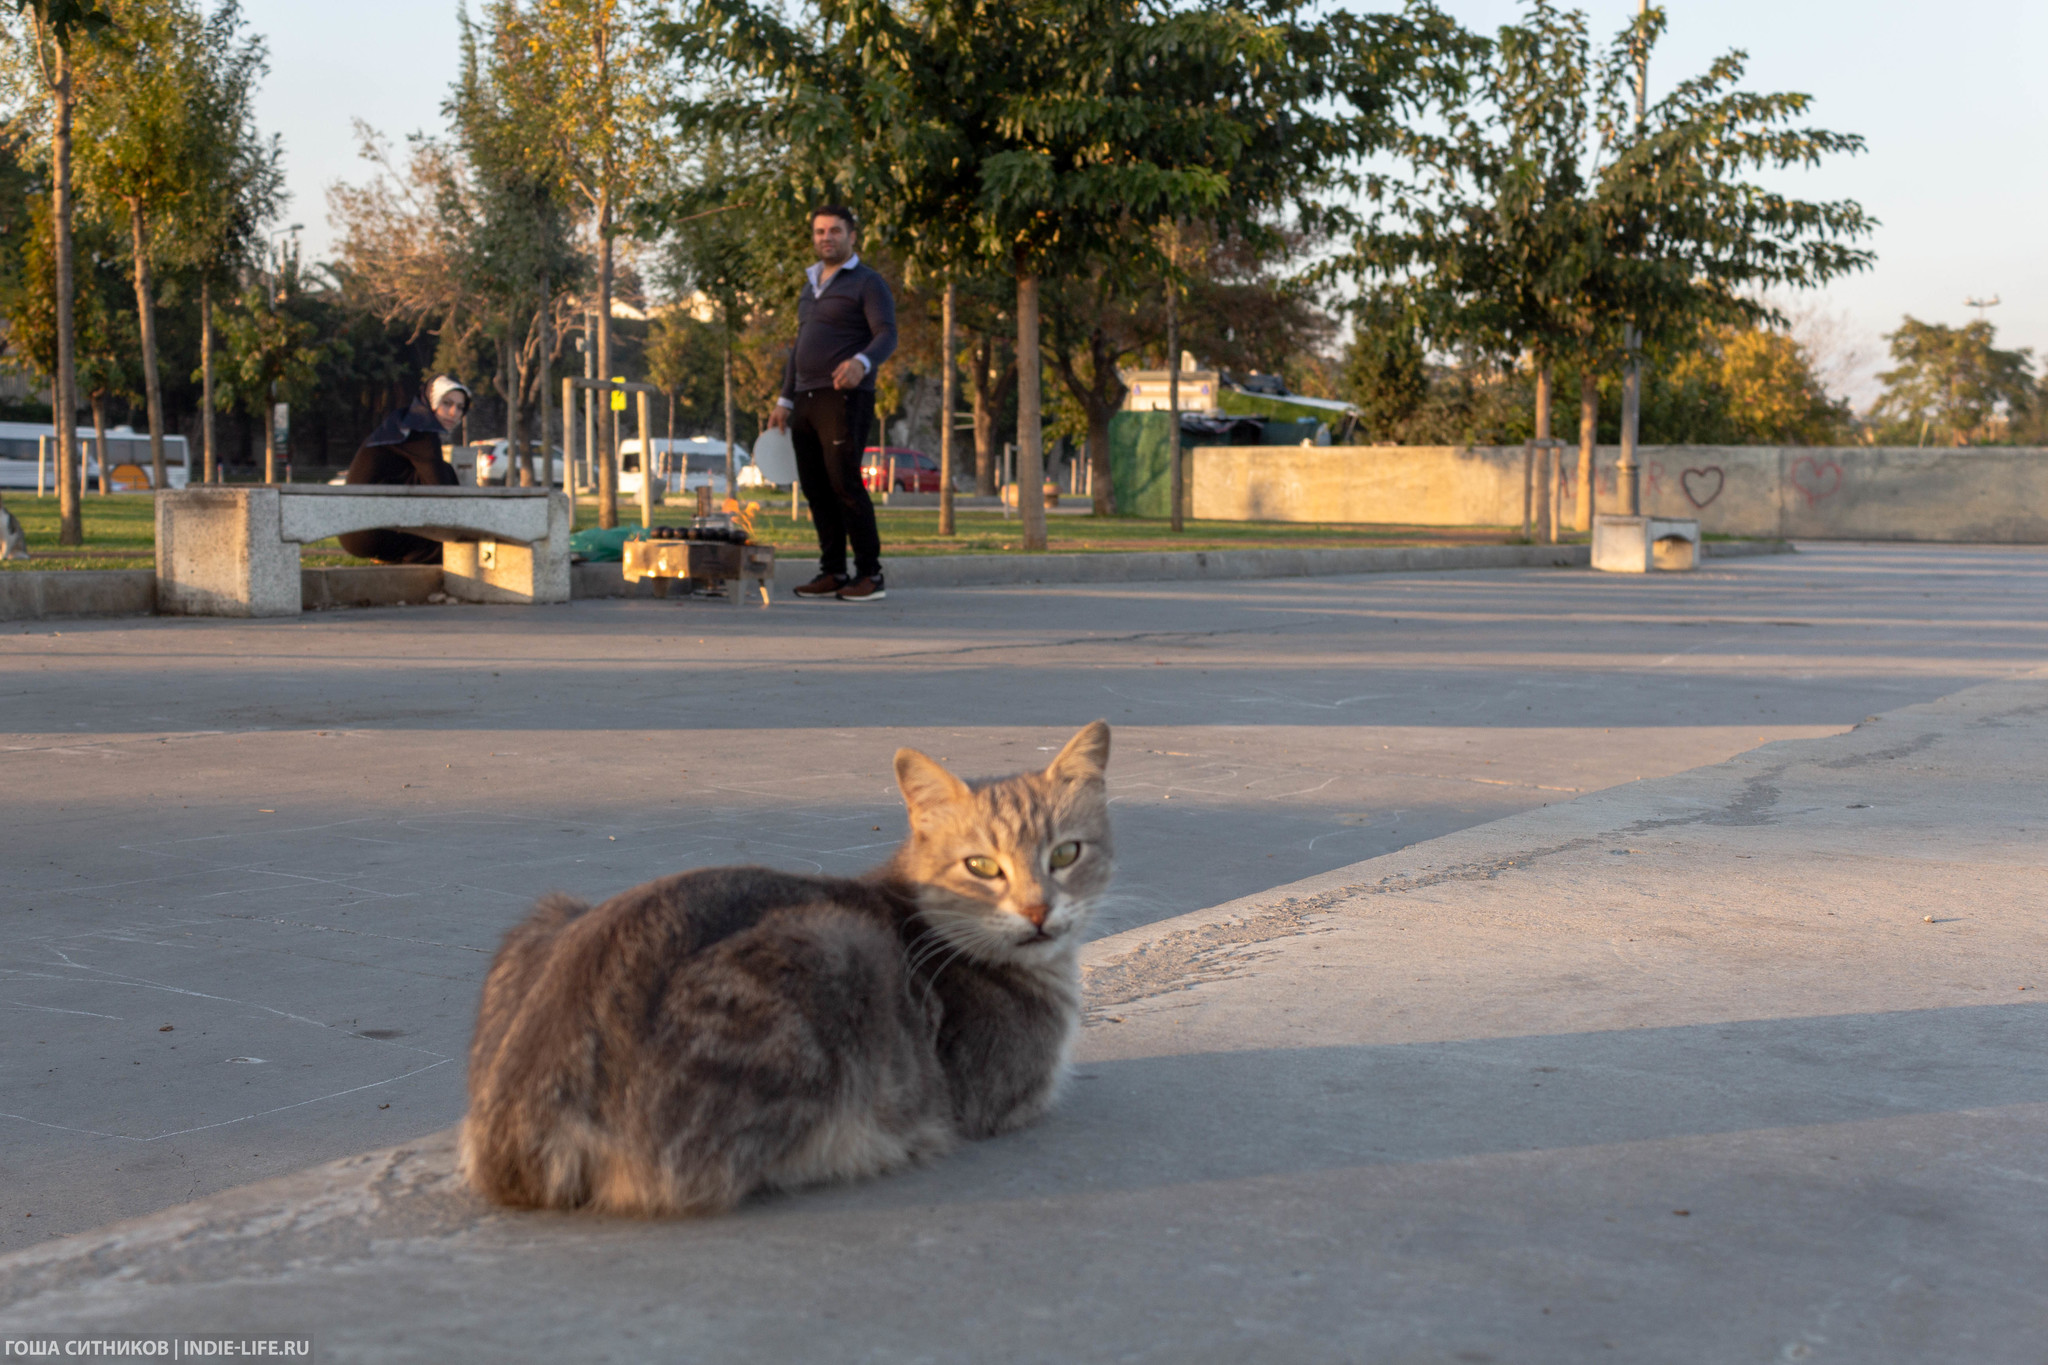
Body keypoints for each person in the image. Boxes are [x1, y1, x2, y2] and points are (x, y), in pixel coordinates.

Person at [767, 206, 897, 602]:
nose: (827, 237)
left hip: (844, 397)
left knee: (844, 484)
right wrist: (784, 398)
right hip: (804, 398)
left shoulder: (868, 282)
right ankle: (833, 571)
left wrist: (862, 362)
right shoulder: (810, 286)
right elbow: (798, 348)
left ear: (852, 236)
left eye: (835, 231)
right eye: (820, 231)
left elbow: (886, 334)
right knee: (816, 489)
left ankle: (870, 575)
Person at [339, 376, 471, 565]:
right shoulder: (422, 432)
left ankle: (393, 566)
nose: (453, 412)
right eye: (446, 403)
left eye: (460, 407)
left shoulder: (406, 423)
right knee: (458, 548)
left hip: (354, 529)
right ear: (432, 402)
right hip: (368, 531)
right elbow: (443, 493)